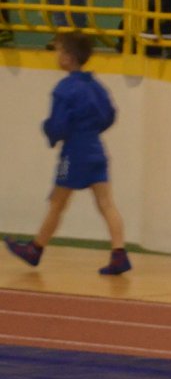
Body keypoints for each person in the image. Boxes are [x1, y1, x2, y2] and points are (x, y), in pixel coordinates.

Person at [5, 32, 130, 276]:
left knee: (57, 201)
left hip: (72, 153)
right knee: (106, 203)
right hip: (96, 150)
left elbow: (58, 125)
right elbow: (109, 115)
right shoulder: (96, 86)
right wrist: (91, 131)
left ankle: (35, 249)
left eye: (59, 51)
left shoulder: (64, 89)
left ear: (68, 57)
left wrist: (49, 132)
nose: (57, 55)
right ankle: (119, 253)